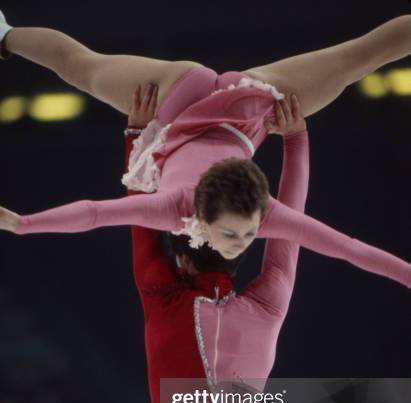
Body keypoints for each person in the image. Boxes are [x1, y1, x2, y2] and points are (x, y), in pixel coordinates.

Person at [0, 9, 410, 274]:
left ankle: (4, 32)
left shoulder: (173, 207)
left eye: (233, 236)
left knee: (80, 67)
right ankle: (4, 32)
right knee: (360, 57)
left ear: (202, 215)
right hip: (244, 108)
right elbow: (350, 249)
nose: (243, 244)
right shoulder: (265, 213)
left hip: (186, 100)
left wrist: (25, 224)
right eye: (246, 235)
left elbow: (93, 214)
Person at [123, 84, 308, 403]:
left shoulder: (161, 297)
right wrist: (296, 142)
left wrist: (137, 140)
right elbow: (289, 232)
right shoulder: (268, 303)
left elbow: (140, 226)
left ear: (180, 258)